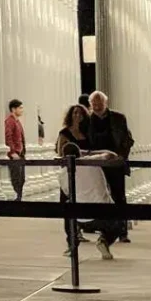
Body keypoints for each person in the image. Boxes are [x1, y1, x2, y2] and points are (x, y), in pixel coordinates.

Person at [83, 90, 134, 242]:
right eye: (94, 104)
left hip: (115, 164)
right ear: (90, 104)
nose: (97, 106)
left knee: (119, 197)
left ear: (106, 103)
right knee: (99, 196)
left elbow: (127, 139)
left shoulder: (119, 118)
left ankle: (122, 232)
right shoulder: (87, 120)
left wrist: (121, 156)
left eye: (100, 103)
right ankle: (105, 229)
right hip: (95, 165)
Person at [58, 140, 121, 260]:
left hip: (80, 217)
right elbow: (111, 154)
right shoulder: (92, 161)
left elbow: (67, 193)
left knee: (68, 206)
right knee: (120, 220)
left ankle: (72, 244)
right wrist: (89, 153)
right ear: (80, 153)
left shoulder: (62, 174)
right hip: (104, 215)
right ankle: (104, 240)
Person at [56, 104, 91, 253]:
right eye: (75, 113)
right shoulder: (64, 133)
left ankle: (80, 232)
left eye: (80, 113)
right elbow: (60, 153)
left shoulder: (87, 132)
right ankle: (71, 242)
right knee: (67, 207)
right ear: (70, 115)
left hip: (85, 175)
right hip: (69, 174)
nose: (77, 115)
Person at [4, 99, 26, 200]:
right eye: (20, 108)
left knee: (21, 178)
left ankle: (19, 198)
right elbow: (8, 137)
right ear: (13, 109)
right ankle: (17, 199)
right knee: (16, 178)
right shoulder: (10, 121)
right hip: (15, 154)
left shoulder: (17, 121)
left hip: (20, 154)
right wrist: (12, 152)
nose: (22, 110)